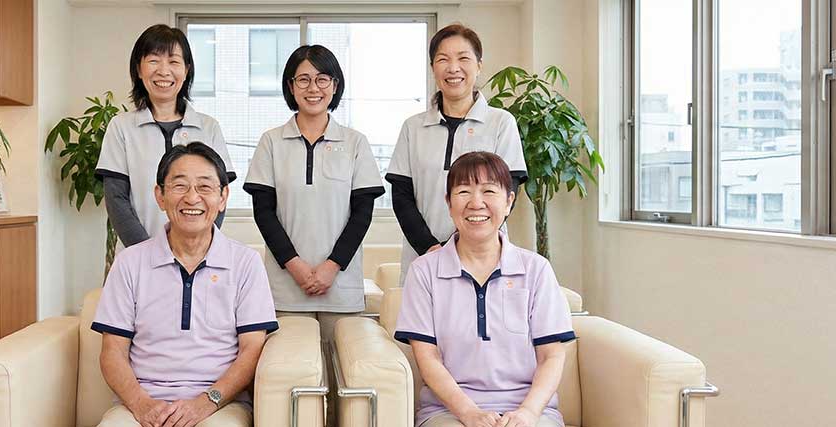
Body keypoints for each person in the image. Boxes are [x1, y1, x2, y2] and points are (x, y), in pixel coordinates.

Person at [93, 142, 277, 427]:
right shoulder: (129, 262)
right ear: (160, 196)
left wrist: (206, 402)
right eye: (179, 186)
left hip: (220, 405)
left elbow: (252, 350)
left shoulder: (245, 263)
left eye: (205, 187)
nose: (192, 198)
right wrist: (143, 405)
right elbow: (112, 351)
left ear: (223, 197)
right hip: (140, 403)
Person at [394, 152, 574, 427]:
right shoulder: (423, 272)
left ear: (509, 201)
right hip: (448, 412)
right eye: (463, 192)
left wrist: (527, 413)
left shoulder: (536, 269)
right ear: (449, 202)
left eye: (489, 191)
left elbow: (552, 355)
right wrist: (469, 413)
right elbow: (427, 358)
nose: (476, 203)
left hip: (531, 412)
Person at [243, 45, 385, 341]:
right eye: (303, 79)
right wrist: (295, 266)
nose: (313, 88)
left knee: (347, 366)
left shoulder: (355, 142)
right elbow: (264, 213)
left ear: (335, 85)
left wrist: (331, 267)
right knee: (287, 366)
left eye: (322, 79)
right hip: (285, 288)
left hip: (341, 287)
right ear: (290, 86)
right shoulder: (271, 142)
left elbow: (362, 214)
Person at [385, 23, 528, 284]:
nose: (453, 68)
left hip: (483, 258)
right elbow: (402, 197)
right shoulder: (413, 127)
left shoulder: (501, 122)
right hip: (423, 259)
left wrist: (461, 249)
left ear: (479, 65)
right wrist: (431, 249)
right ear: (432, 67)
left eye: (463, 58)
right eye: (443, 59)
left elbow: (508, 191)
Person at [97, 24, 236, 247]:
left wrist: (197, 246)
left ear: (186, 70)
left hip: (196, 256)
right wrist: (147, 254)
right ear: (139, 69)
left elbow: (217, 198)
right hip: (137, 257)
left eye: (173, 61)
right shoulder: (121, 127)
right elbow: (116, 200)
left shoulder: (209, 128)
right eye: (154, 60)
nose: (164, 71)